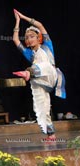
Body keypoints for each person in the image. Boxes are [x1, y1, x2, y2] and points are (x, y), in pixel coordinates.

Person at [12, 9, 66, 141]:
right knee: (42, 108)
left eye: (32, 36)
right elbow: (15, 39)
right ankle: (50, 134)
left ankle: (28, 72)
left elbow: (40, 25)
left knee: (44, 65)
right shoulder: (30, 54)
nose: (29, 40)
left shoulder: (47, 45)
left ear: (38, 37)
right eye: (27, 38)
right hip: (40, 81)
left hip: (52, 75)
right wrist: (17, 21)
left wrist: (23, 16)